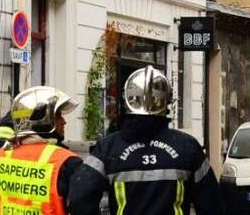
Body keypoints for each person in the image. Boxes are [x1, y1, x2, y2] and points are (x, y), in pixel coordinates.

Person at [68, 66, 221, 215]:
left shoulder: (108, 148)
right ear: (167, 102)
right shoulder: (188, 147)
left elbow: (80, 197)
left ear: (127, 100)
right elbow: (212, 204)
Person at [0, 86, 82, 215]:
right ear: (43, 119)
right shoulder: (67, 162)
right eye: (58, 116)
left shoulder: (1, 155)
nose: (64, 121)